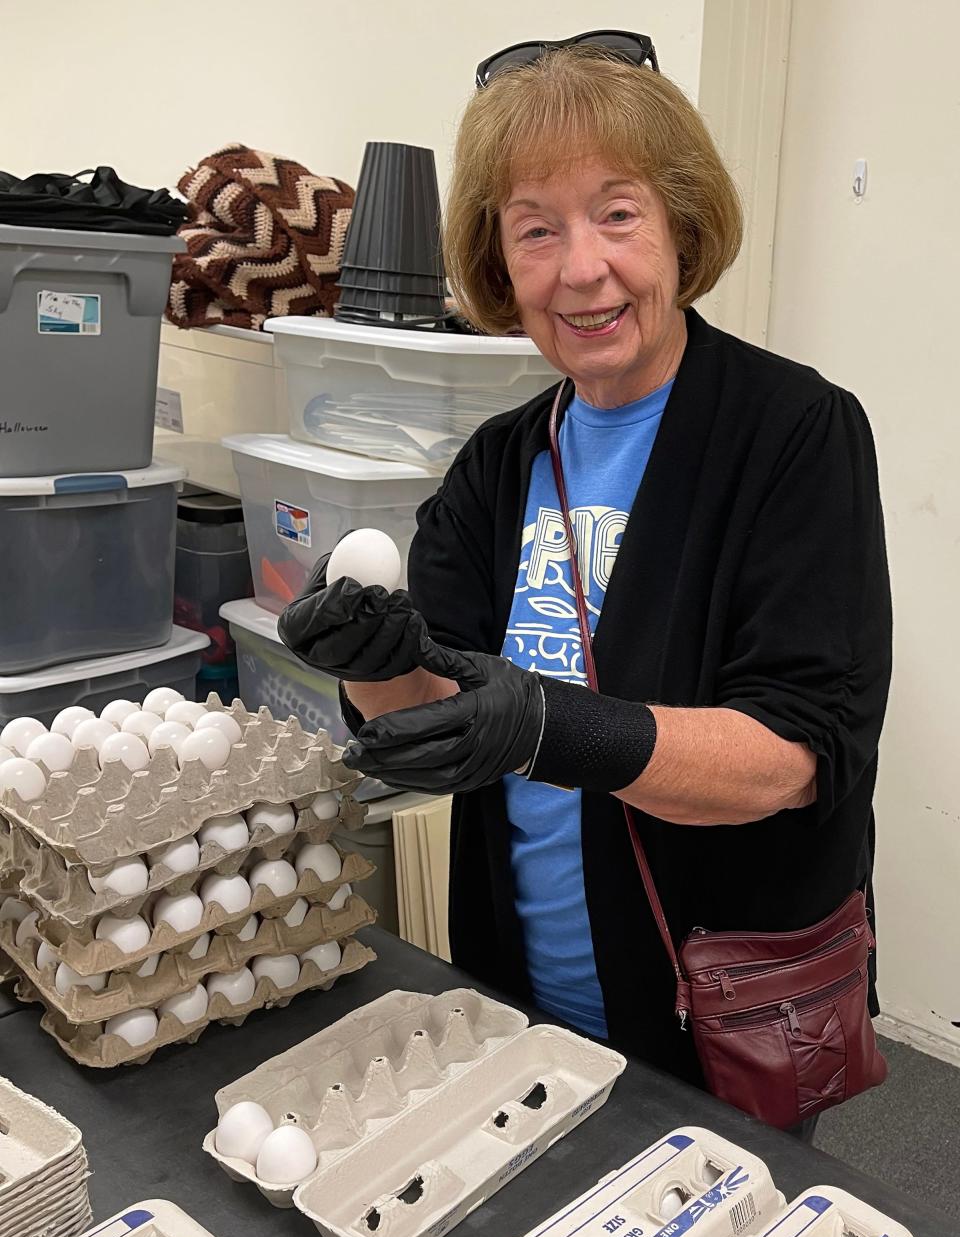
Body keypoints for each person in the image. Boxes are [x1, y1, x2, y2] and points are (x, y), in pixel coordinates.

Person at [279, 34, 892, 1121]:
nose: (581, 268)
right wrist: (367, 666)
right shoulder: (498, 464)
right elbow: (438, 710)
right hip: (521, 991)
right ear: (499, 262)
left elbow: (796, 755)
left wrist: (546, 728)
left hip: (718, 1008)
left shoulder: (795, 434)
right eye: (536, 229)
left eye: (618, 214)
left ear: (679, 226)